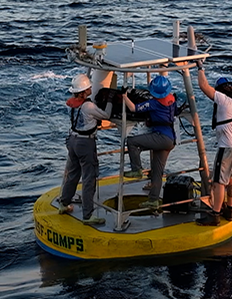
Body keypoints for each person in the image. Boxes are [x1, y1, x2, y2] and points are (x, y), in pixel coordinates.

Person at [195, 60, 232, 226]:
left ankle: (215, 215)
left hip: (226, 148)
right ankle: (229, 210)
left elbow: (203, 86)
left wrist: (200, 67)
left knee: (219, 182)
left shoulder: (224, 100)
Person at [58, 73, 114, 225]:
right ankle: (88, 215)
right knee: (89, 178)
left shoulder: (72, 104)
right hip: (85, 143)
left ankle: (64, 203)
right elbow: (106, 115)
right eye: (88, 87)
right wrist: (110, 99)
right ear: (83, 92)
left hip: (72, 140)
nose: (90, 88)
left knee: (73, 174)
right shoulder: (88, 106)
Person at [122, 75, 177, 209]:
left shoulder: (154, 103)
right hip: (171, 139)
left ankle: (137, 169)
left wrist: (124, 96)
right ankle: (153, 200)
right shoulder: (172, 99)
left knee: (132, 142)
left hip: (161, 137)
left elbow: (134, 108)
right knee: (157, 171)